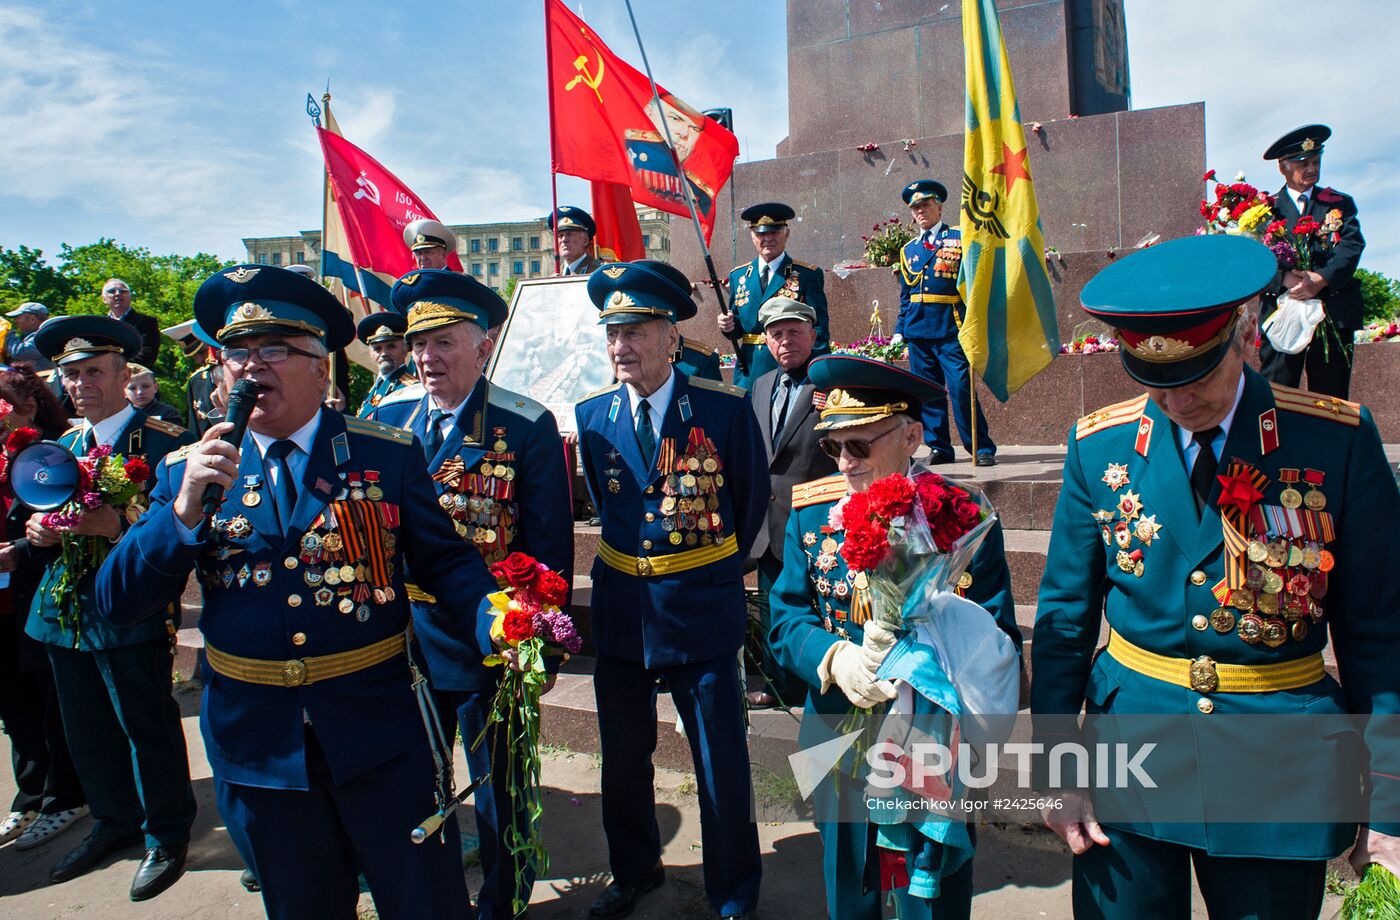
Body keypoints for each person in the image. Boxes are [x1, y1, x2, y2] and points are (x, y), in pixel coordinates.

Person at [96, 263, 504, 919]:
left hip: (381, 736)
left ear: (322, 368)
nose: (251, 368)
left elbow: (449, 563)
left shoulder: (386, 455)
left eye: (275, 351)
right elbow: (118, 603)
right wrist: (181, 516)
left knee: (425, 901)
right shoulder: (186, 469)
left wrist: (498, 620)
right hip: (259, 749)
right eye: (237, 352)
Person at [1032, 234, 1400, 918]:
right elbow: (1064, 620)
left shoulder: (1335, 441)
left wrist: (1389, 801)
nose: (1176, 402)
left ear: (1245, 335)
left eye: (1196, 377)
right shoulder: (1100, 445)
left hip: (1275, 764)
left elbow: (1380, 634)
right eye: (1154, 384)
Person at [768, 353, 1018, 919]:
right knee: (849, 886)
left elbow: (997, 631)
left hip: (932, 744)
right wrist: (833, 658)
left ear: (911, 436)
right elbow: (784, 617)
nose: (845, 462)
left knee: (925, 898)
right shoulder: (811, 513)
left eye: (860, 445)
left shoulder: (960, 517)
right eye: (834, 446)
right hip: (836, 732)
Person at [371, 268, 573, 918]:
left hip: (488, 643)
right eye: (419, 343)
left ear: (483, 345)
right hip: (403, 644)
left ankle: (503, 902)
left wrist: (535, 644)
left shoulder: (523, 424)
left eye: (445, 343)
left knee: (500, 792)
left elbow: (546, 550)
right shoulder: (385, 417)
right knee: (414, 788)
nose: (428, 358)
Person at [575, 260, 767, 920]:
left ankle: (734, 891)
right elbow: (610, 505)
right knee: (624, 761)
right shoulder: (591, 416)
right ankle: (634, 872)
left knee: (720, 761)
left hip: (700, 608)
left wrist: (711, 573)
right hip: (624, 611)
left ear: (671, 337)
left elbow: (750, 503)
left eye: (635, 330)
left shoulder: (722, 408)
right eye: (613, 333)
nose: (621, 345)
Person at [22, 316, 195, 900]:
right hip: (65, 612)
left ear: (126, 375)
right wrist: (38, 528)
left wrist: (119, 523)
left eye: (93, 371)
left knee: (145, 724)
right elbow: (41, 510)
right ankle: (113, 821)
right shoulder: (64, 447)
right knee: (86, 728)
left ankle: (167, 833)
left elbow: (183, 526)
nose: (79, 384)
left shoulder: (165, 443)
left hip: (131, 608)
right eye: (70, 374)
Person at [0, 367, 88, 852]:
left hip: (34, 589)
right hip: (2, 601)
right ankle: (29, 794)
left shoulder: (55, 451)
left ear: (27, 409)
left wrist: (16, 547)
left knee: (48, 697)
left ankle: (65, 796)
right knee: (13, 704)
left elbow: (57, 520)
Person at [745, 295, 836, 708]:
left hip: (815, 519)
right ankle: (780, 684)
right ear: (766, 341)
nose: (785, 341)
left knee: (813, 605)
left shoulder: (831, 383)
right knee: (771, 605)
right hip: (767, 523)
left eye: (794, 332)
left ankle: (820, 681)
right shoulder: (760, 386)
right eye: (776, 334)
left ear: (812, 335)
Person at [891, 180, 996, 467]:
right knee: (928, 392)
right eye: (916, 207)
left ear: (939, 207)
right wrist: (900, 330)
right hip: (917, 329)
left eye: (926, 204)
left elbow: (975, 284)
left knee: (961, 387)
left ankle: (980, 446)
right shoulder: (908, 250)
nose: (921, 211)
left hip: (951, 327)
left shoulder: (960, 238)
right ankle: (939, 447)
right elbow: (906, 294)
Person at [1258, 124, 1366, 399]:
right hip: (1284, 311)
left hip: (1333, 309)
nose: (1311, 169)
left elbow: (1352, 245)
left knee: (1331, 397)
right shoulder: (1262, 210)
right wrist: (1283, 278)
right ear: (1283, 167)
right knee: (1277, 393)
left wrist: (1322, 279)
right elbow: (1253, 259)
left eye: (1316, 162)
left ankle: (1329, 443)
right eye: (1302, 163)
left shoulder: (1338, 204)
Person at [720, 202, 830, 391]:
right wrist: (728, 325)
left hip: (790, 369)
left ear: (786, 234)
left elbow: (819, 330)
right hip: (750, 370)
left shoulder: (806, 275)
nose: (767, 238)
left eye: (774, 232)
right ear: (752, 236)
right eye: (761, 233)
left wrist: (813, 374)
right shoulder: (739, 276)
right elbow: (738, 326)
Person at [624, 92, 716, 216]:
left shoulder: (698, 190)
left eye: (694, 129)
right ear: (649, 113)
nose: (684, 133)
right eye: (675, 119)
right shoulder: (624, 151)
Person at [354, 312, 417, 418]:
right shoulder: (374, 389)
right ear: (370, 353)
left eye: (391, 346)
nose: (384, 353)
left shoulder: (411, 388)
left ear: (405, 349)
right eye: (377, 348)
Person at [101, 278, 161, 367]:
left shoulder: (147, 322)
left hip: (135, 376)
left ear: (130, 297)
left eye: (123, 291)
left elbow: (147, 356)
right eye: (112, 291)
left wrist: (112, 366)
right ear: (104, 299)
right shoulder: (99, 326)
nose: (118, 294)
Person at [549, 206, 606, 276]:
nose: (564, 239)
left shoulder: (600, 272)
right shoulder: (554, 274)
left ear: (585, 240)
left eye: (569, 234)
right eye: (560, 236)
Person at [4, 301, 55, 371]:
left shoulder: (44, 336)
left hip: (42, 380)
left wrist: (7, 333)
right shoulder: (30, 336)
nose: (15, 321)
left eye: (18, 317)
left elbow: (19, 352)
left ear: (32, 319)